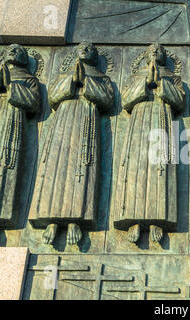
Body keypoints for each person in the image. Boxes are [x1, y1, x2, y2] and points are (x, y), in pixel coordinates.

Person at [29, 42, 114, 246]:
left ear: (95, 56)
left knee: (82, 168)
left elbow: (107, 100)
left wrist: (86, 83)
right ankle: (51, 218)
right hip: (64, 120)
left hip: (87, 120)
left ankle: (77, 218)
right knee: (55, 167)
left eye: (90, 48)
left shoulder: (102, 78)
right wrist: (71, 81)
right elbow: (54, 97)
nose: (85, 50)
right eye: (82, 47)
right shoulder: (64, 75)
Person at [114, 43, 185, 243]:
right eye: (151, 50)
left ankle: (158, 218)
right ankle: (133, 219)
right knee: (136, 168)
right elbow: (126, 100)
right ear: (144, 57)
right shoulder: (136, 76)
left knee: (160, 169)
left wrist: (162, 84)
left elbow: (180, 101)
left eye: (160, 50)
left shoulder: (173, 78)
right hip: (140, 121)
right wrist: (145, 82)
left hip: (162, 119)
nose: (155, 52)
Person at [0, 44, 41, 243]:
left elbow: (33, 103)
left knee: (3, 167)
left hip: (11, 122)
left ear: (25, 59)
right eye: (10, 49)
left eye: (19, 50)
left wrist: (12, 87)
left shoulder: (29, 80)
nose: (14, 51)